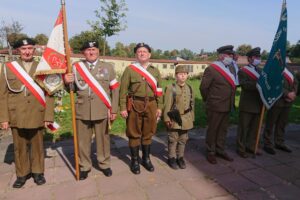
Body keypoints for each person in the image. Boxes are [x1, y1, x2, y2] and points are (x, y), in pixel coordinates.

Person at [0, 38, 55, 188]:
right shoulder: (8, 67)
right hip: (16, 114)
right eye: (24, 49)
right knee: (19, 147)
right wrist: (4, 118)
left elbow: (50, 93)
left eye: (30, 48)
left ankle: (38, 172)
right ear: (18, 50)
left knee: (37, 145)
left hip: (37, 113)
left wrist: (48, 116)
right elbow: (2, 95)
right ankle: (22, 174)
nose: (27, 51)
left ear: (34, 49)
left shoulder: (42, 67)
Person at [64, 41, 119, 179]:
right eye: (88, 50)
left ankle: (104, 164)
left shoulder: (108, 67)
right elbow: (72, 90)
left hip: (101, 109)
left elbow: (115, 90)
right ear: (83, 53)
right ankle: (84, 166)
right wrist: (66, 81)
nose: (91, 52)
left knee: (103, 140)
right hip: (82, 110)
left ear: (98, 51)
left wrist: (114, 109)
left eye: (93, 49)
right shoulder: (76, 68)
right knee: (83, 141)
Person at [119, 42, 163, 174]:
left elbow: (159, 90)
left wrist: (160, 107)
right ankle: (134, 161)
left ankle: (146, 159)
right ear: (136, 55)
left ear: (149, 54)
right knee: (134, 132)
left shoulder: (155, 71)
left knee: (148, 132)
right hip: (134, 104)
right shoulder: (130, 69)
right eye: (139, 52)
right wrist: (123, 107)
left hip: (151, 104)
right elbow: (123, 90)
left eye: (144, 51)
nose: (142, 53)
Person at [200, 45, 237, 164]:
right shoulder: (212, 69)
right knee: (213, 129)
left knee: (223, 129)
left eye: (231, 55)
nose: (231, 57)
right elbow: (203, 88)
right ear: (221, 56)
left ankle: (220, 149)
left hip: (227, 105)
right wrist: (209, 100)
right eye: (228, 55)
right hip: (215, 105)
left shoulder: (230, 69)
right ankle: (211, 151)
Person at [163, 65, 195, 169]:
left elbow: (192, 105)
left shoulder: (190, 88)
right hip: (174, 118)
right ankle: (171, 158)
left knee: (183, 139)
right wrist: (167, 119)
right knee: (173, 139)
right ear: (176, 76)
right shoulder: (170, 88)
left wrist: (192, 118)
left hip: (186, 118)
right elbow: (167, 105)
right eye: (180, 74)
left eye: (185, 74)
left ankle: (180, 157)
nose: (183, 76)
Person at [263, 66, 298, 154]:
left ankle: (279, 142)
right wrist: (287, 94)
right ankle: (267, 144)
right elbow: (273, 83)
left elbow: (296, 82)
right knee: (270, 123)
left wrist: (293, 93)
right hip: (277, 101)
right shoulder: (274, 67)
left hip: (288, 102)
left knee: (282, 123)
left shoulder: (289, 69)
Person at [236, 47, 263, 158]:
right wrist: (259, 84)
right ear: (249, 59)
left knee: (254, 128)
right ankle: (241, 148)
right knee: (244, 127)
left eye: (259, 57)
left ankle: (251, 146)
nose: (258, 59)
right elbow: (245, 85)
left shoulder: (261, 71)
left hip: (259, 103)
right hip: (247, 104)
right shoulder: (243, 71)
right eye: (255, 57)